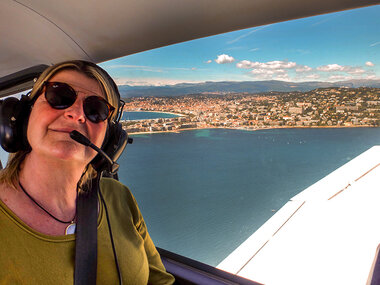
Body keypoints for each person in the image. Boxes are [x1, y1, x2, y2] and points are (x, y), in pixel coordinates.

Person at [0, 60, 175, 284]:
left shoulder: (119, 197)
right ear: (23, 114)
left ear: (109, 139)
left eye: (95, 110)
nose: (77, 114)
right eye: (59, 97)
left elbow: (160, 281)